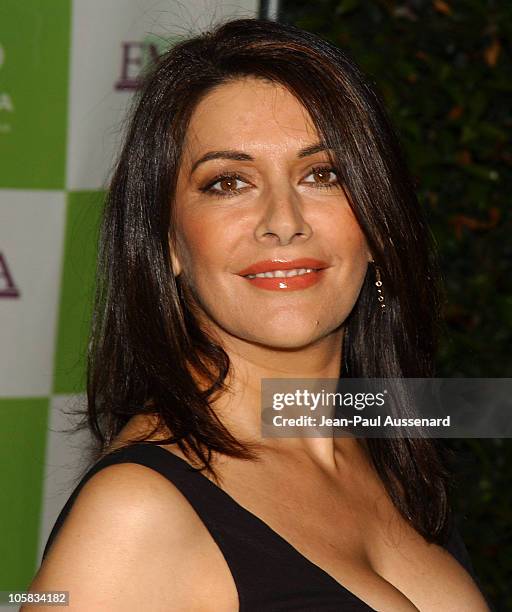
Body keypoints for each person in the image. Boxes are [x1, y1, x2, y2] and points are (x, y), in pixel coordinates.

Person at [27, 18, 493, 611]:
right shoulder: (135, 513)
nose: (283, 218)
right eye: (228, 182)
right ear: (168, 242)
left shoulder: (398, 458)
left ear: (376, 223)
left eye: (323, 175)